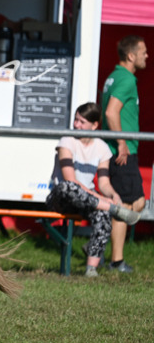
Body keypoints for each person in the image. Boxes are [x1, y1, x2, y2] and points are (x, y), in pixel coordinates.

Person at [48, 102, 140, 277]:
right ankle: (114, 209)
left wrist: (113, 195)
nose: (76, 125)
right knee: (69, 187)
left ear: (95, 125)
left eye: (81, 122)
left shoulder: (102, 147)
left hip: (89, 200)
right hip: (61, 198)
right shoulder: (66, 141)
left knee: (102, 214)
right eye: (75, 120)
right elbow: (70, 180)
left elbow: (104, 183)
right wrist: (107, 203)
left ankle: (91, 269)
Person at [101, 35, 148, 273]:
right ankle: (114, 260)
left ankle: (100, 248)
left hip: (123, 149)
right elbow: (111, 113)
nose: (147, 56)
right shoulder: (126, 79)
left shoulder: (114, 76)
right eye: (143, 52)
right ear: (131, 56)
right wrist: (121, 142)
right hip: (122, 151)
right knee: (129, 203)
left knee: (133, 202)